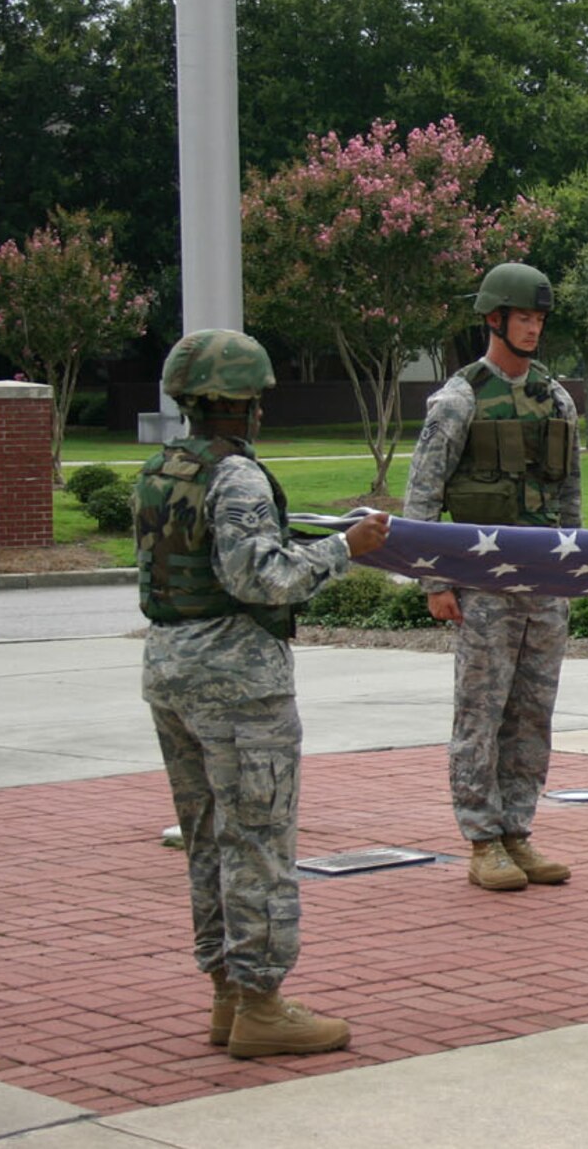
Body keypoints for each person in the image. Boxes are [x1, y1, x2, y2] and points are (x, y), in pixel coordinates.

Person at [135, 328, 390, 1059]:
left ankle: (225, 991)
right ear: (240, 403)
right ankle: (262, 1002)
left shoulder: (161, 468)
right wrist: (345, 548)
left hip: (170, 670)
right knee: (258, 840)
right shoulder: (238, 476)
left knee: (209, 840)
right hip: (239, 683)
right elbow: (262, 578)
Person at [404, 261, 582, 892]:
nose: (533, 328)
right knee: (480, 711)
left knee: (533, 713)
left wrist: (572, 570)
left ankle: (518, 832)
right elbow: (421, 498)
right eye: (523, 317)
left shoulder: (555, 398)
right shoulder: (458, 400)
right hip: (481, 585)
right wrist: (434, 583)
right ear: (494, 320)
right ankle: (482, 840)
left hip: (544, 583)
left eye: (539, 319)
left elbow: (570, 498)